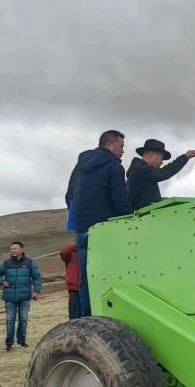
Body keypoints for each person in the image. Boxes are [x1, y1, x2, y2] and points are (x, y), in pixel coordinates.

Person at [67, 130, 132, 317]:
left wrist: (81, 220)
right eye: (121, 146)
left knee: (86, 279)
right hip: (105, 230)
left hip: (82, 230)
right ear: (110, 145)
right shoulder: (114, 166)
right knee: (112, 275)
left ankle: (88, 320)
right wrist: (131, 218)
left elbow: (69, 196)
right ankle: (108, 318)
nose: (122, 151)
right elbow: (120, 201)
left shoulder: (80, 167)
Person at [0, 242, 42, 351]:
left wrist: (37, 291)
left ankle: (21, 341)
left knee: (23, 319)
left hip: (24, 297)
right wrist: (2, 281)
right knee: (10, 320)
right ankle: (9, 343)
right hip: (9, 297)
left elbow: (37, 277)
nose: (13, 251)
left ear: (21, 249)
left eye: (15, 248)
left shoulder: (30, 263)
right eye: (11, 249)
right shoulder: (6, 263)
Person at [126, 139, 195, 210]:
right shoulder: (140, 169)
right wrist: (185, 157)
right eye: (161, 158)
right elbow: (163, 173)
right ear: (152, 154)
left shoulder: (141, 171)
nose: (161, 162)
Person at [60, 243, 81, 320]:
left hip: (87, 287)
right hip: (75, 288)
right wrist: (80, 245)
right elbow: (64, 251)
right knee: (75, 316)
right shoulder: (71, 254)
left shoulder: (90, 253)